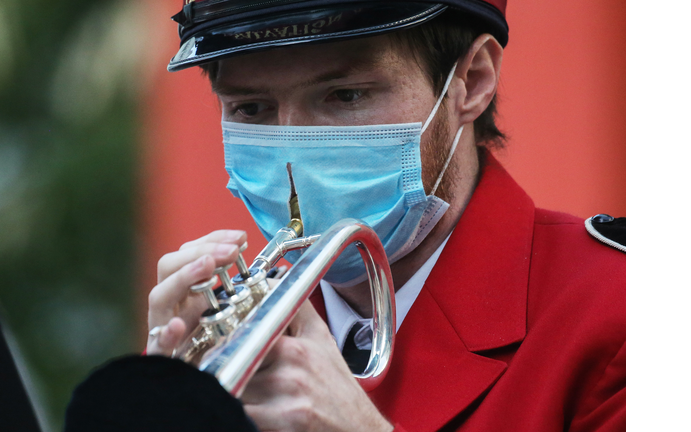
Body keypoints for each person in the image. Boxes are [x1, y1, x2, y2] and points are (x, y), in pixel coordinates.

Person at [144, 1, 625, 431]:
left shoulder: (619, 312)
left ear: (472, 81)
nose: (293, 156)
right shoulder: (228, 331)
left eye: (346, 95)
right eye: (250, 107)